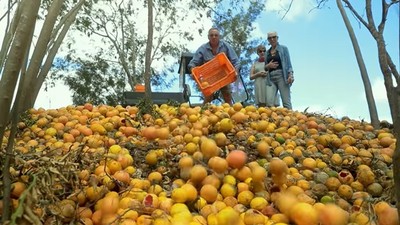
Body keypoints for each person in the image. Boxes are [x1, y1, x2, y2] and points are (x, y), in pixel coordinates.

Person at [188, 27, 240, 105]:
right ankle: (203, 114)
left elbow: (236, 61)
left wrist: (236, 71)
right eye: (211, 35)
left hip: (224, 76)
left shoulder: (225, 46)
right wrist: (193, 72)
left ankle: (231, 114)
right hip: (209, 78)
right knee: (208, 97)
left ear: (219, 37)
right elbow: (193, 63)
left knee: (227, 95)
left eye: (216, 35)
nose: (214, 37)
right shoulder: (203, 49)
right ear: (208, 37)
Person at [264, 31, 294, 109]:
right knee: (269, 103)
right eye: (270, 38)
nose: (272, 39)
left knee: (286, 103)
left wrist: (290, 75)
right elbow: (265, 67)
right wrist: (268, 65)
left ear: (277, 38)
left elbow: (288, 64)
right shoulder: (267, 53)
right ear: (268, 40)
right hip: (270, 78)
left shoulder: (284, 49)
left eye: (274, 37)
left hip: (282, 76)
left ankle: (290, 120)